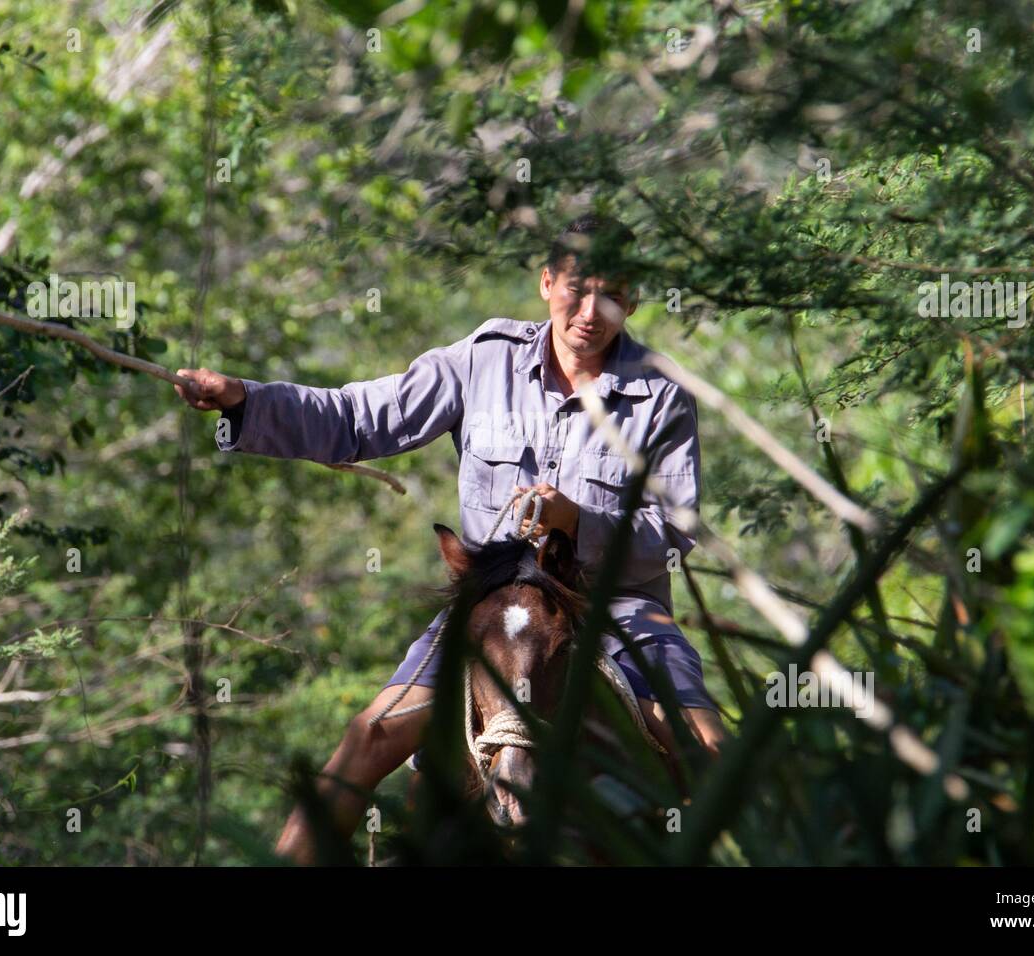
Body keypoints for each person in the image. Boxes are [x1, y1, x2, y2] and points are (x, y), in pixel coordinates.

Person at [174, 213, 728, 863]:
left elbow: (672, 533)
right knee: (368, 736)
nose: (589, 311)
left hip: (617, 609)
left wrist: (578, 521)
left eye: (611, 294)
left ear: (631, 301)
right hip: (491, 609)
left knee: (709, 750)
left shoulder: (661, 394)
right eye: (576, 290)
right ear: (547, 283)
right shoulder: (482, 360)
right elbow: (360, 417)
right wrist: (245, 400)